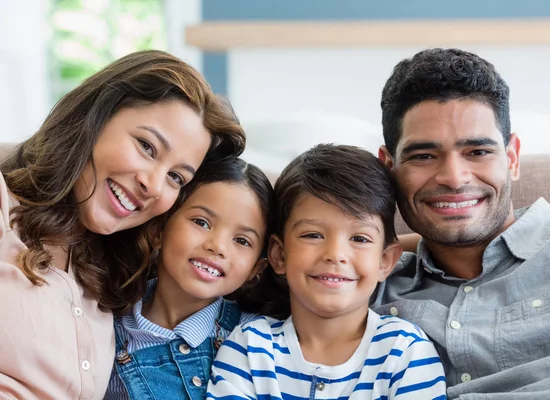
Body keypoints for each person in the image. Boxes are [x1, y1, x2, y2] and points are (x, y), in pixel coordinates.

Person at [0, 50, 245, 399]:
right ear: (94, 117)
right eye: (146, 147)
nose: (154, 185)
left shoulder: (114, 276)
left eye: (176, 177)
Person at [373, 47, 550, 399]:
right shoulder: (364, 282)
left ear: (512, 159)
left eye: (478, 152)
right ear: (389, 168)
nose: (453, 177)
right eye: (423, 156)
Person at [208, 144, 447, 399]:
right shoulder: (249, 346)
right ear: (278, 254)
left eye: (360, 238)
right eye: (312, 235)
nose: (335, 254)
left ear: (385, 260)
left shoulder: (405, 351)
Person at [104, 156, 274, 400]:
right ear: (158, 230)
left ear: (256, 269)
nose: (218, 246)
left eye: (242, 241)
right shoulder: (103, 328)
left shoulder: (260, 339)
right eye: (201, 222)